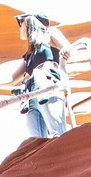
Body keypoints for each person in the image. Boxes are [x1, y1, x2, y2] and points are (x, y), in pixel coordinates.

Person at [16, 11, 71, 139]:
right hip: (31, 96)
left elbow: (67, 48)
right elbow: (12, 79)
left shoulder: (48, 34)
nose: (19, 27)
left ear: (30, 21)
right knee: (36, 142)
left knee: (57, 134)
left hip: (48, 88)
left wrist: (65, 53)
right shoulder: (29, 55)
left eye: (20, 22)